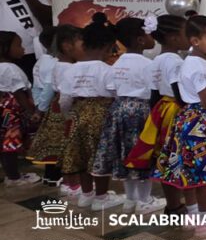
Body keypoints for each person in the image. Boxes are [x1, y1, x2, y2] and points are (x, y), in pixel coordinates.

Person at [154, 15, 206, 237]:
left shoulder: (192, 61)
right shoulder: (198, 65)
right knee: (204, 172)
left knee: (191, 171)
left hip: (190, 118)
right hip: (202, 122)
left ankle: (194, 213)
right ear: (195, 41)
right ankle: (205, 220)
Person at [90, 17, 166, 214]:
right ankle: (144, 200)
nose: (152, 38)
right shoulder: (148, 64)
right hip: (141, 111)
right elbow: (154, 89)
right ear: (140, 40)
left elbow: (111, 88)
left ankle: (130, 199)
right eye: (149, 35)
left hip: (118, 110)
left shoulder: (116, 64)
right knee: (141, 153)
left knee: (125, 153)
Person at [124, 14, 188, 215]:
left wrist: (154, 120)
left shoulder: (155, 61)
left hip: (161, 110)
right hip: (176, 110)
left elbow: (154, 94)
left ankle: (173, 205)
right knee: (180, 157)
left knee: (165, 157)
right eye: (186, 33)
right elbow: (179, 92)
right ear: (173, 38)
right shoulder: (176, 61)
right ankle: (191, 207)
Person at [62, 13, 122, 210]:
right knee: (100, 155)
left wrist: (68, 116)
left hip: (77, 113)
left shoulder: (70, 70)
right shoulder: (107, 70)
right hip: (101, 114)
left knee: (81, 154)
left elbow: (64, 99)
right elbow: (116, 94)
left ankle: (86, 194)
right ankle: (101, 197)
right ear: (107, 47)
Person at [27, 25, 82, 196]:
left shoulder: (51, 63)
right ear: (65, 45)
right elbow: (52, 89)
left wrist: (41, 107)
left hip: (55, 107)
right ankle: (66, 180)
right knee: (64, 144)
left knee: (54, 143)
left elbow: (42, 86)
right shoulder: (64, 67)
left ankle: (53, 177)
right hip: (64, 108)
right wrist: (42, 109)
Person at [0, 31, 41, 186]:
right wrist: (31, 112)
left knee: (4, 142)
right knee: (10, 142)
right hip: (10, 112)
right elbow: (18, 92)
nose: (23, 49)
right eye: (18, 45)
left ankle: (11, 174)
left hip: (3, 109)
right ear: (5, 48)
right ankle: (14, 177)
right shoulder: (10, 68)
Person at [30, 28, 62, 186]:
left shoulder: (41, 62)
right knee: (57, 142)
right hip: (54, 107)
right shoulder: (54, 63)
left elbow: (36, 86)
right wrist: (41, 108)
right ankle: (56, 176)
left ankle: (49, 176)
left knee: (50, 142)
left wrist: (38, 105)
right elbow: (49, 87)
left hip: (44, 105)